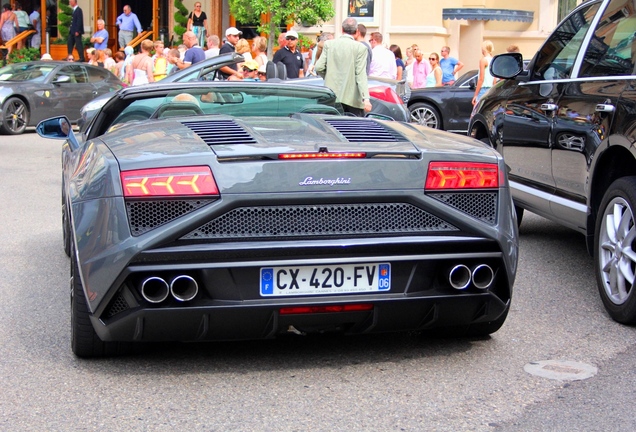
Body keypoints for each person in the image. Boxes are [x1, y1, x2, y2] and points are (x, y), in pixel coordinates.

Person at [315, 17, 372, 117]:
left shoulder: (329, 44)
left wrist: (328, 76)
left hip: (331, 97)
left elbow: (319, 67)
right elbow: (360, 74)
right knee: (352, 130)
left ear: (342, 29)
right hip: (352, 100)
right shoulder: (360, 48)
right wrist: (366, 98)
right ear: (357, 31)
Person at [472, 40, 495, 106]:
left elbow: (481, 78)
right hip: (491, 89)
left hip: (484, 89)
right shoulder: (493, 60)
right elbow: (494, 79)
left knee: (476, 112)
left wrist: (476, 95)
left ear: (483, 49)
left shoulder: (483, 60)